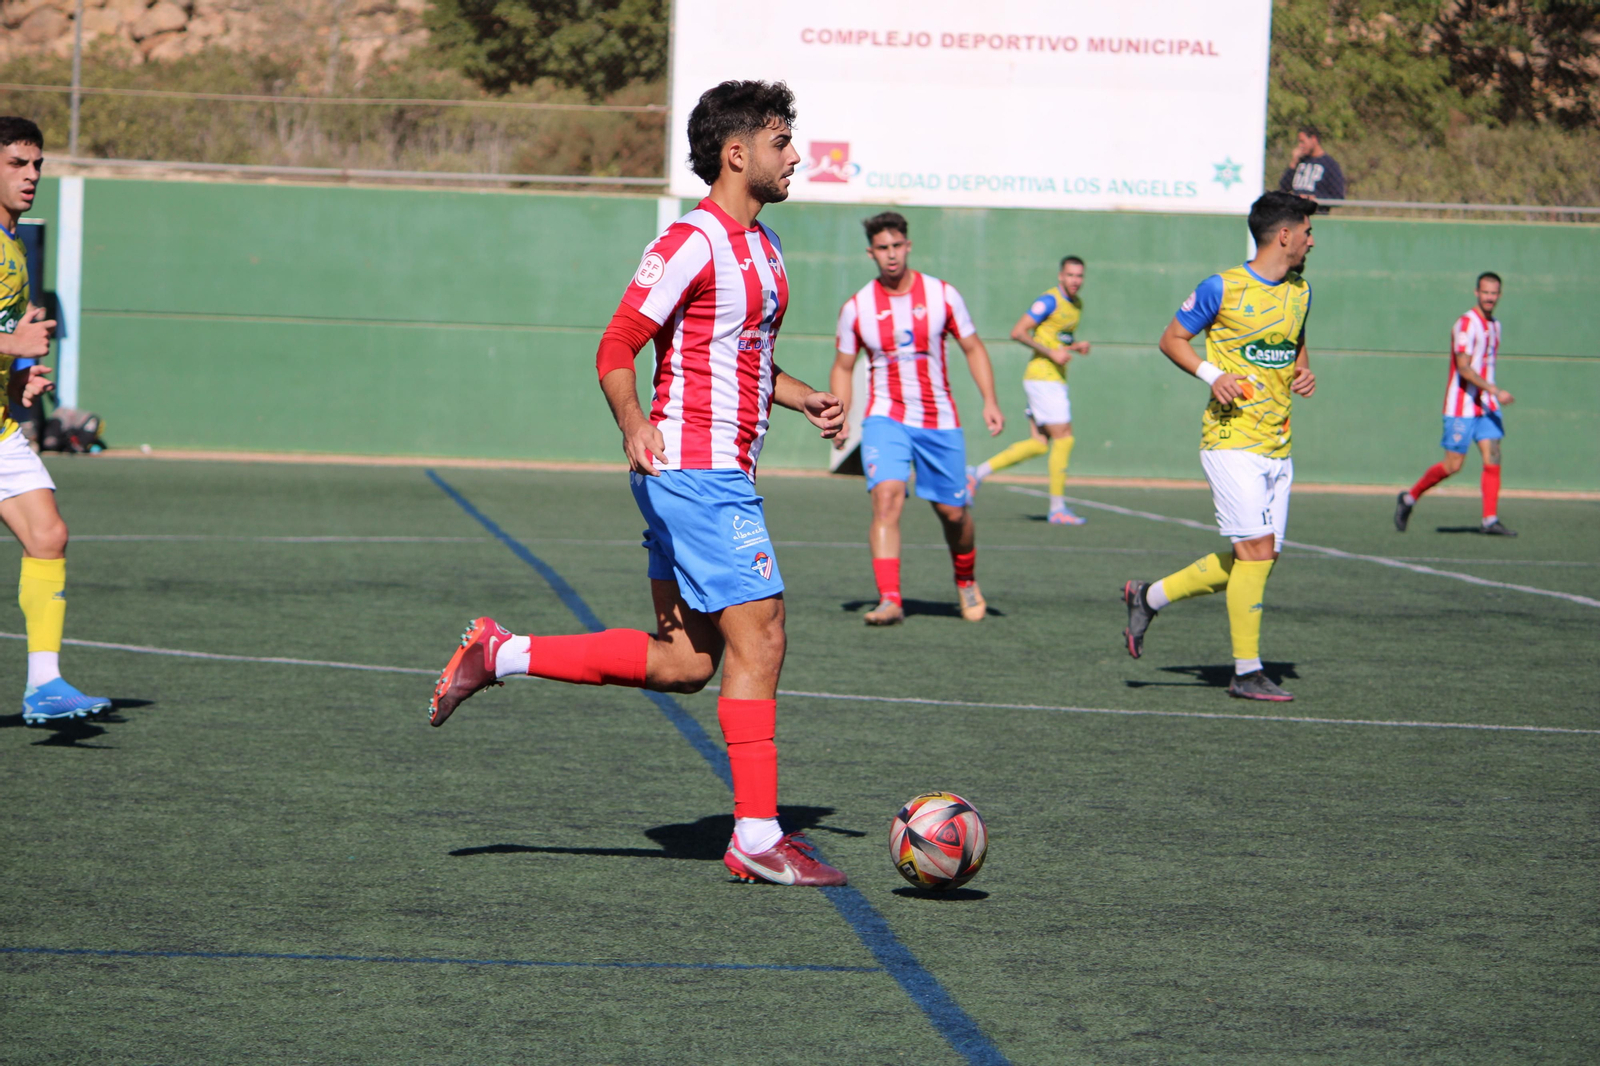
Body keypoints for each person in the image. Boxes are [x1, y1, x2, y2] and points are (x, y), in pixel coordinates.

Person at [428, 82, 850, 888]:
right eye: (781, 141)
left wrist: (803, 399)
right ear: (737, 154)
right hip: (694, 472)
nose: (796, 155)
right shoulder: (691, 241)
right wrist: (632, 420)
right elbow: (617, 343)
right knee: (762, 635)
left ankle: (501, 652)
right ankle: (757, 837)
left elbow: (744, 360)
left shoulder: (766, 248)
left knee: (687, 662)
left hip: (705, 472)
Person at [1121, 191, 1318, 702]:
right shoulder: (1221, 287)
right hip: (1230, 440)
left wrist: (1303, 370)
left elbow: (1295, 342)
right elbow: (1171, 339)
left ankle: (1148, 597)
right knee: (1254, 552)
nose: (1311, 241)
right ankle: (1246, 672)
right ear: (1284, 235)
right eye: (1307, 232)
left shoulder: (1300, 291)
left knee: (1260, 558)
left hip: (1278, 443)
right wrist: (1213, 374)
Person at [828, 211, 1004, 626]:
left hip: (939, 419)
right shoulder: (857, 308)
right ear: (871, 253)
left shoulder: (943, 295)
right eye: (882, 248)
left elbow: (973, 348)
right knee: (886, 497)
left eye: (896, 246)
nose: (890, 255)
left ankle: (966, 580)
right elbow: (843, 366)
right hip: (885, 417)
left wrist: (990, 400)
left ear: (907, 246)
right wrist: (840, 414)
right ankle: (890, 599)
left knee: (953, 513)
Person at [0, 117, 111, 725]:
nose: (31, 175)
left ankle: (44, 684)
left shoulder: (13, 244)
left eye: (37, 164)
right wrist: (13, 346)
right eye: (17, 163)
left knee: (48, 536)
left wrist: (16, 381)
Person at [969, 255, 1091, 524]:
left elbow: (1057, 339)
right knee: (1064, 438)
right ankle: (1057, 508)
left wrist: (1074, 347)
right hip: (1043, 377)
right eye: (1070, 275)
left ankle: (976, 473)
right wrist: (1052, 353)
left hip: (1053, 378)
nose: (1075, 280)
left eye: (1079, 276)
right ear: (1060, 276)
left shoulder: (1077, 305)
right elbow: (1018, 332)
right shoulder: (1049, 301)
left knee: (1039, 443)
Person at [1394, 273, 1515, 536]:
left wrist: (1491, 396)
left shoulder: (1496, 326)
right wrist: (1495, 390)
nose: (1489, 298)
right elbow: (1464, 368)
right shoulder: (1466, 324)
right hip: (1461, 407)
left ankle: (1490, 520)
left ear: (1499, 295)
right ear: (1476, 293)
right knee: (1453, 465)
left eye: (1494, 293)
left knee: (1493, 457)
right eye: (1485, 292)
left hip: (1487, 408)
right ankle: (1409, 498)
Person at [1277, 125, 1345, 209]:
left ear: (1313, 139)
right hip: (1295, 213)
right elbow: (1283, 188)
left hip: (1315, 213)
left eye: (1303, 142)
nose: (1300, 145)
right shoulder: (1300, 161)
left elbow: (1338, 197)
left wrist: (1314, 198)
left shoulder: (1330, 164)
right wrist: (1293, 162)